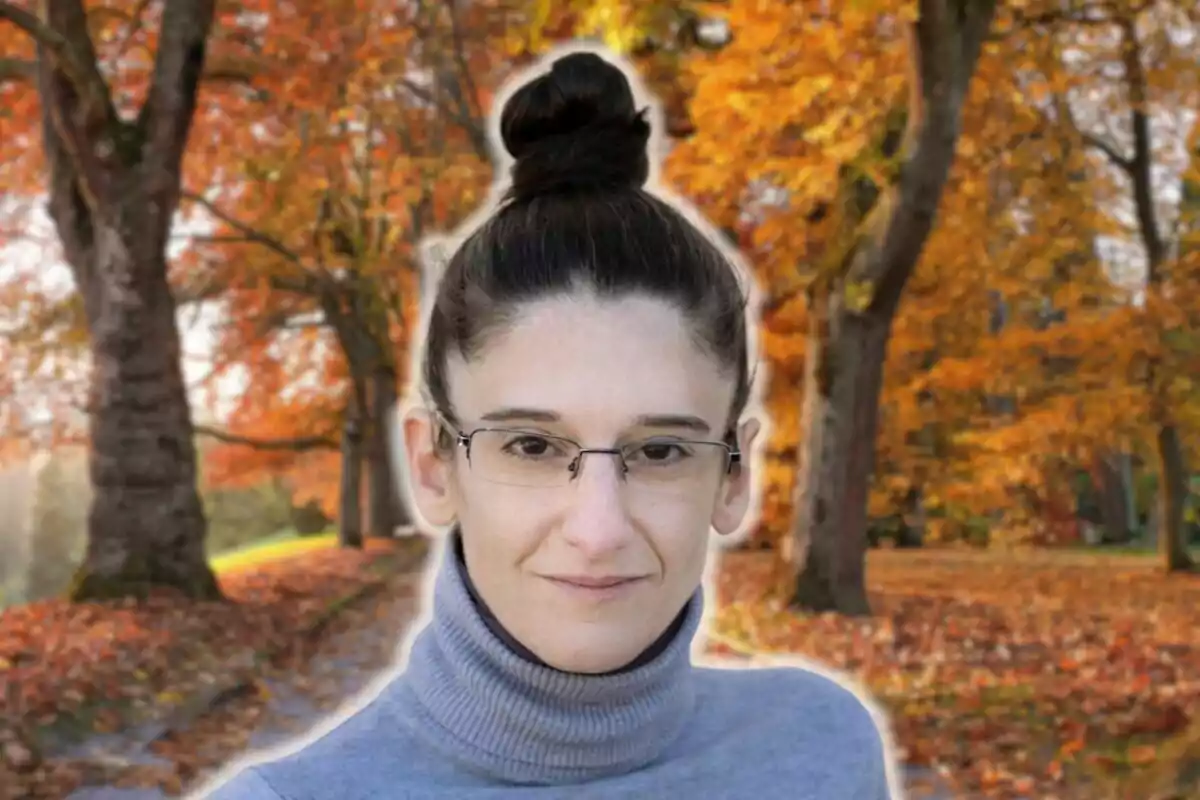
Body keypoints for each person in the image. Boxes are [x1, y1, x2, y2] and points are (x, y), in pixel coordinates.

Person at [201, 45, 898, 800]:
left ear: (734, 476)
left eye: (660, 450)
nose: (598, 531)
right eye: (531, 445)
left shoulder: (818, 750)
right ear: (434, 465)